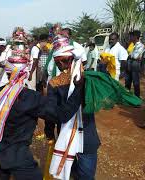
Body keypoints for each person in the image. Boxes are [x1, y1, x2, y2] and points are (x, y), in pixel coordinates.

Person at [0, 27, 83, 180]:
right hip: (19, 157)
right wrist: (77, 90)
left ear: (7, 71)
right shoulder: (31, 98)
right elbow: (61, 115)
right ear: (26, 71)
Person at [44, 33, 100, 180]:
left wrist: (49, 133)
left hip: (70, 136)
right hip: (87, 136)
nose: (61, 65)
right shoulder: (87, 78)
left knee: (74, 173)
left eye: (61, 61)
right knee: (84, 175)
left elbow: (56, 115)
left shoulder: (56, 83)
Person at [125, 30, 144, 97]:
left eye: (131, 36)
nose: (130, 37)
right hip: (129, 63)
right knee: (127, 81)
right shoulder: (132, 45)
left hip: (135, 64)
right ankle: (127, 96)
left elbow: (135, 56)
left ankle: (136, 97)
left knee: (135, 82)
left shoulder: (141, 46)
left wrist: (130, 55)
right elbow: (128, 54)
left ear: (135, 37)